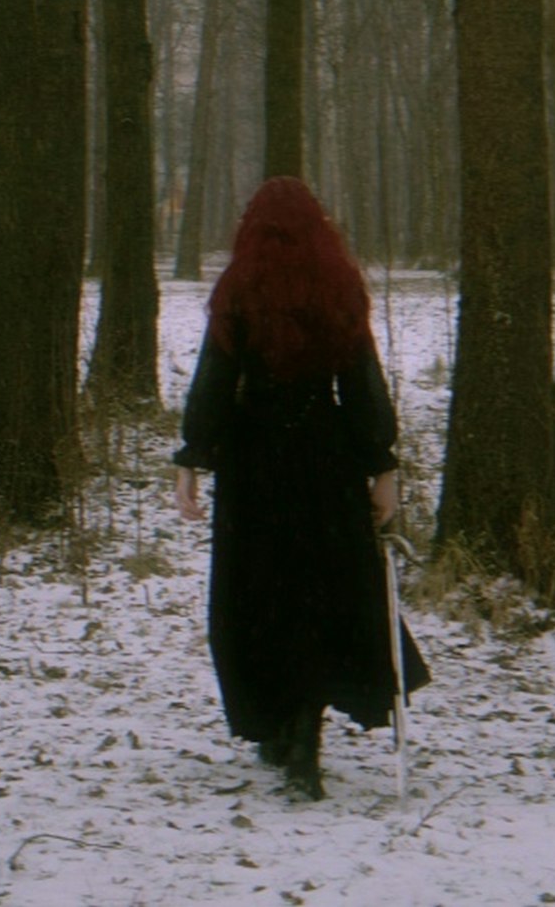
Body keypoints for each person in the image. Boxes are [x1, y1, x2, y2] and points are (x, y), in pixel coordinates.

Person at [174, 176, 430, 800]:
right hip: (325, 458)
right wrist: (382, 464)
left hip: (254, 461)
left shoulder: (239, 287)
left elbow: (215, 378)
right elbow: (363, 382)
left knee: (260, 597)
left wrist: (194, 458)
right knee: (322, 593)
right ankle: (302, 734)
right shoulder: (338, 287)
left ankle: (284, 729)